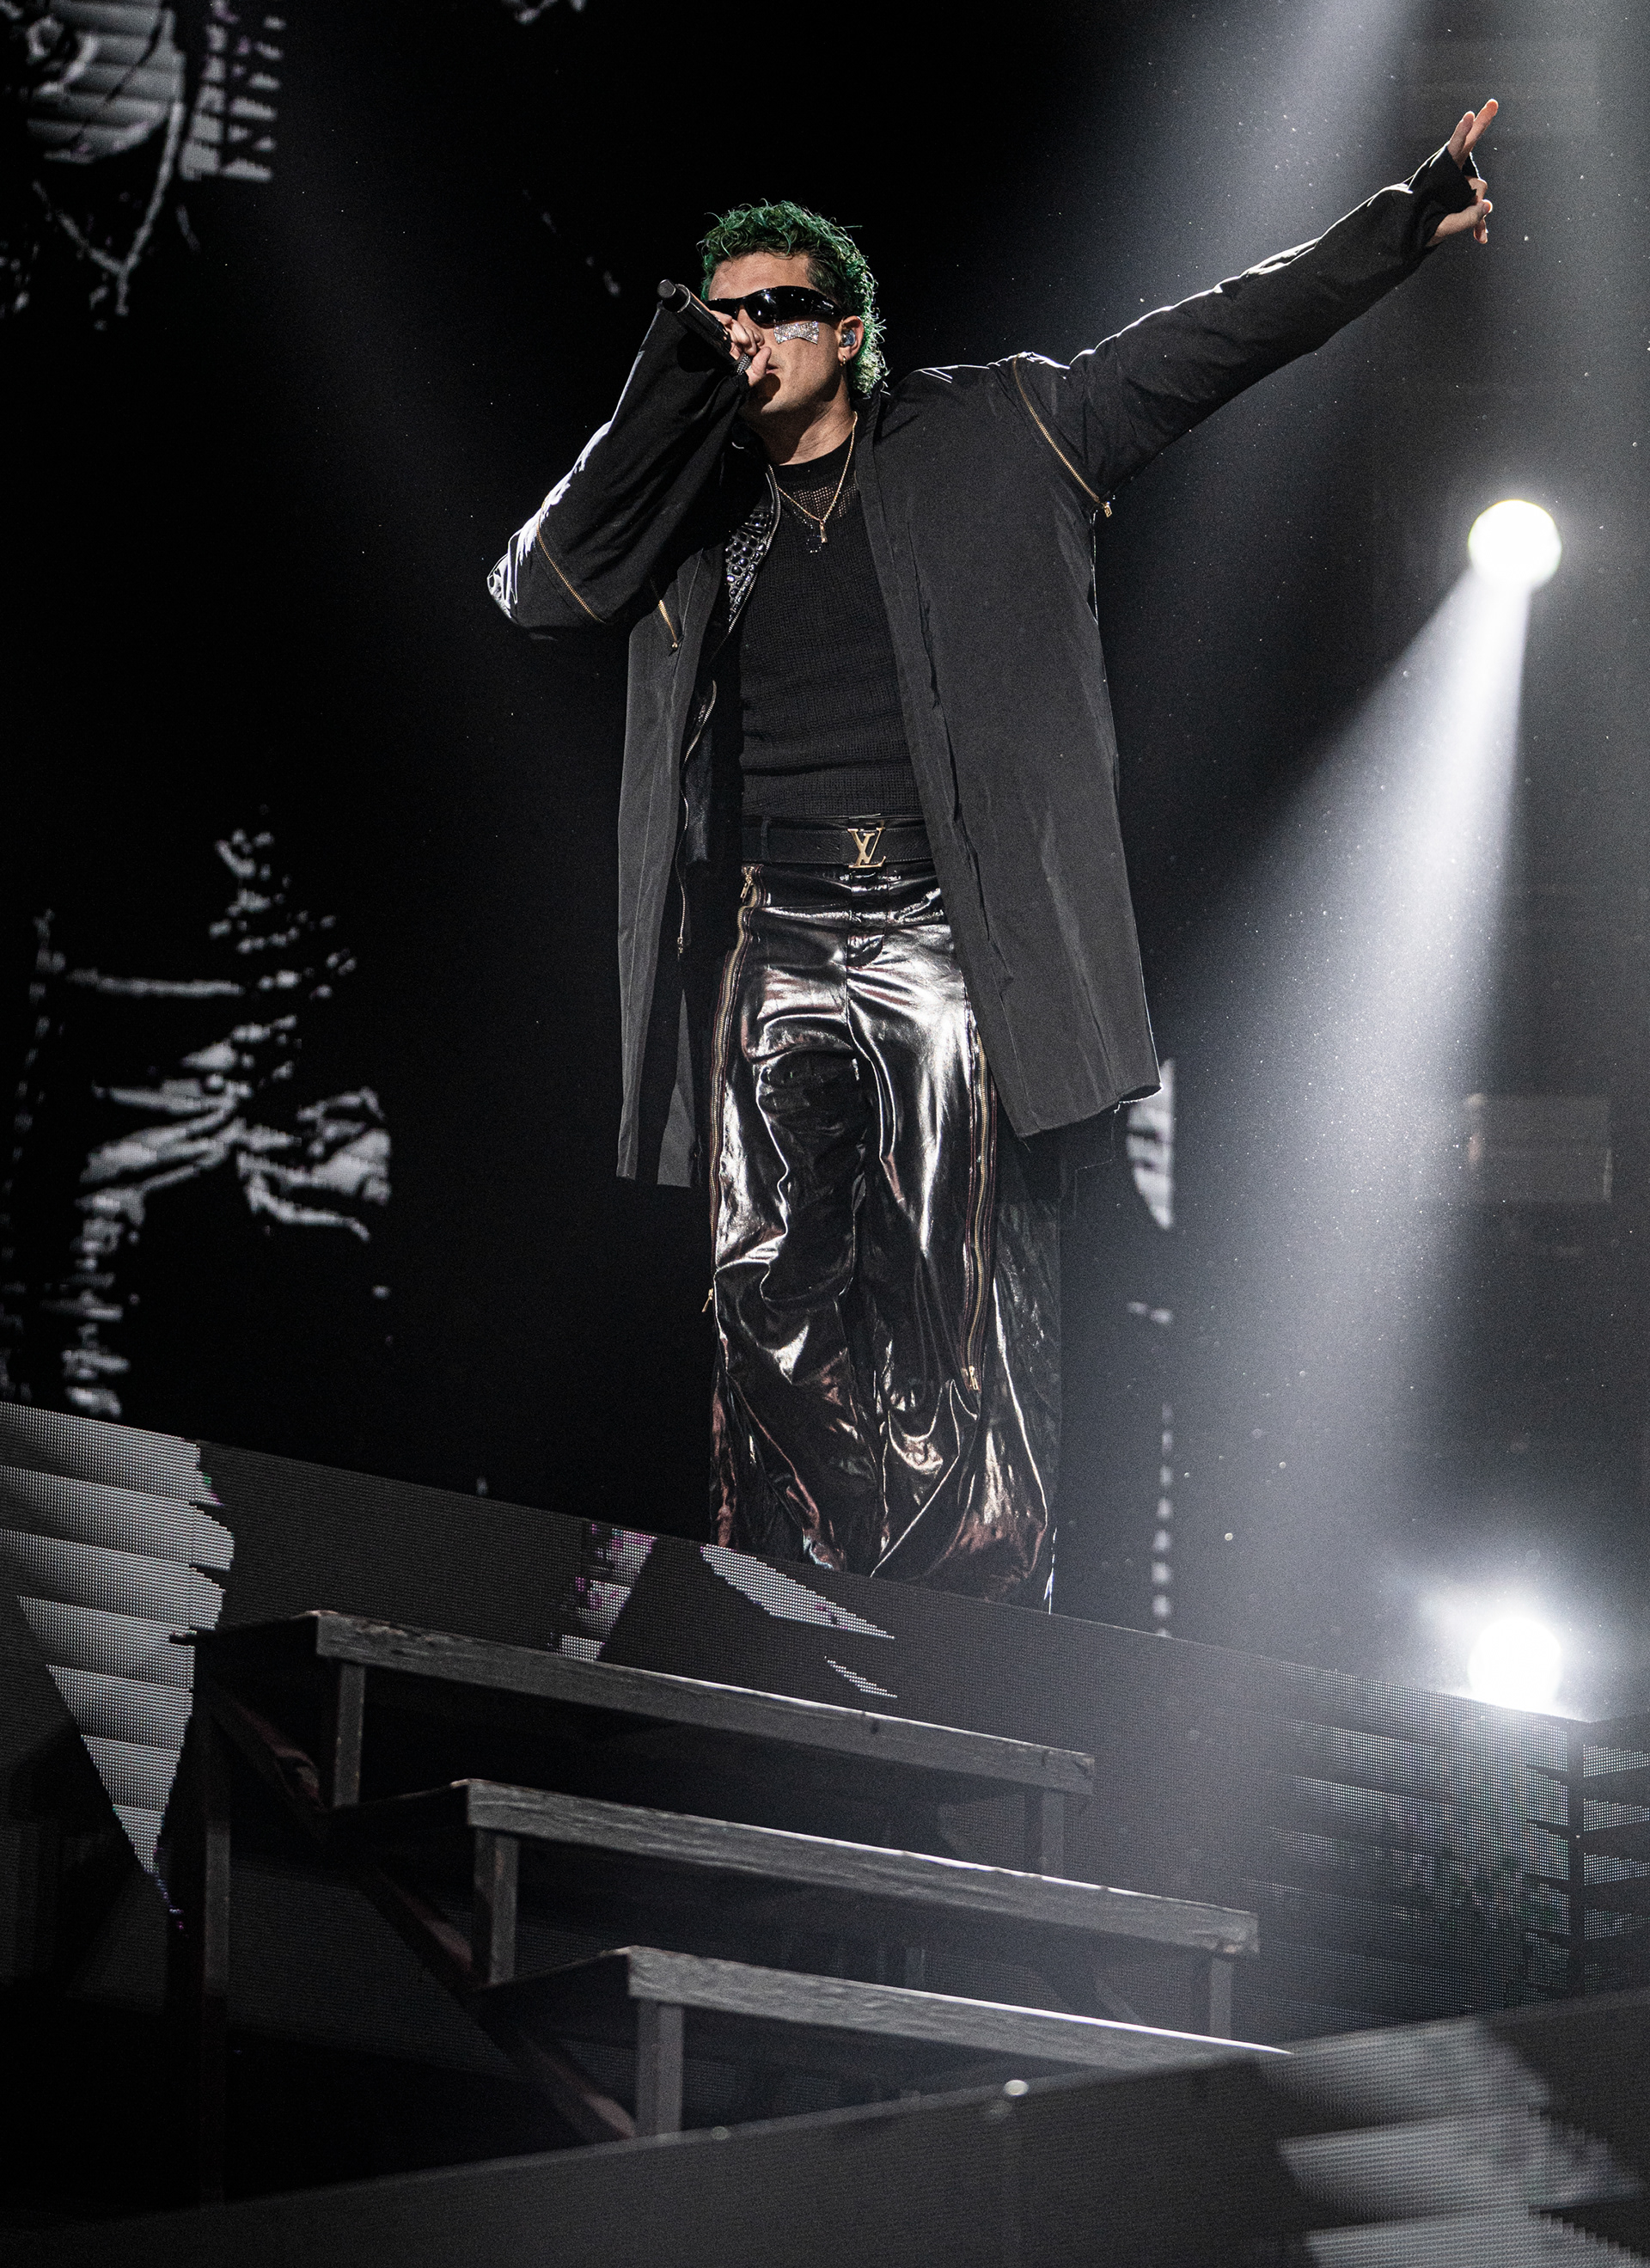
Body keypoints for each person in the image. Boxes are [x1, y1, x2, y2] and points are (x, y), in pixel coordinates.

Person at [490, 104, 1497, 1606]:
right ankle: (800, 1590)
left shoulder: (1002, 427)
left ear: (847, 331)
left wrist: (1397, 226)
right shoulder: (686, 510)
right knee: (761, 1288)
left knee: (948, 1291)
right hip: (773, 926)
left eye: (776, 307)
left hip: (937, 923)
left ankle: (957, 1611)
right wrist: (667, 395)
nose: (746, 333)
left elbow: (1214, 339)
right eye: (722, 317)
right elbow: (538, 589)